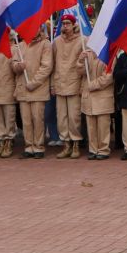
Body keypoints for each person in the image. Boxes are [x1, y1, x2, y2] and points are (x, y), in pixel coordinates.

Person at [14, 26, 54, 159]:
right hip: (23, 89)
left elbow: (46, 67)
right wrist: (18, 66)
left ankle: (39, 147)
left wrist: (34, 83)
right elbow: (13, 64)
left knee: (37, 119)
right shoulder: (20, 45)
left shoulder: (45, 44)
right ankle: (28, 146)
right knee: (26, 121)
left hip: (37, 89)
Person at [52, 14, 85, 159]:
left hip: (74, 84)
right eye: (63, 23)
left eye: (68, 23)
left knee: (74, 117)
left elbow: (84, 66)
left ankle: (76, 143)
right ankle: (66, 144)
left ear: (74, 25)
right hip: (59, 83)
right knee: (62, 117)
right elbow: (52, 65)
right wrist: (52, 84)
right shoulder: (56, 41)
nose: (65, 26)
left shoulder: (82, 41)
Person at [78, 48, 116, 160]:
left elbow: (108, 77)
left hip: (102, 95)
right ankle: (93, 149)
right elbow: (80, 72)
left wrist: (93, 85)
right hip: (89, 96)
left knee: (103, 126)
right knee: (91, 126)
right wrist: (80, 61)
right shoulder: (87, 53)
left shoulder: (109, 54)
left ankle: (103, 150)